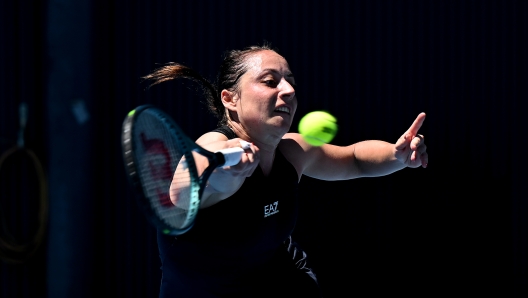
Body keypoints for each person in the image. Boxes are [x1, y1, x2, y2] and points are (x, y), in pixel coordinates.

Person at [142, 43, 428, 297]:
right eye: (270, 81)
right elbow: (181, 191)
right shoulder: (214, 143)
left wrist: (396, 155)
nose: (289, 91)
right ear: (230, 99)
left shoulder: (292, 151)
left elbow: (355, 159)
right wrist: (227, 166)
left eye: (290, 82)